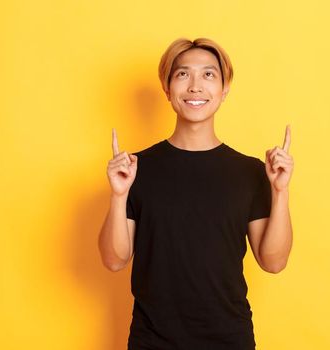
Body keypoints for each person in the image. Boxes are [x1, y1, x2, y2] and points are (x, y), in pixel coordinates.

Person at [98, 37, 294, 349]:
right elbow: (114, 259)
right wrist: (118, 195)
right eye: (182, 74)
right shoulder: (137, 169)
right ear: (167, 89)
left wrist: (280, 191)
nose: (195, 86)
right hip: (153, 341)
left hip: (229, 340)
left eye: (208, 74)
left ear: (224, 90)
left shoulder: (250, 172)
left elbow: (273, 261)